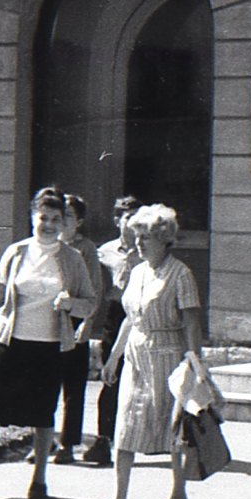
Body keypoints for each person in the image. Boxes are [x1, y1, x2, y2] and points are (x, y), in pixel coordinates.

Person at [0, 186, 96, 499]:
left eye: (56, 219)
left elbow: (89, 304)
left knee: (43, 416)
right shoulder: (16, 253)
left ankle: (39, 481)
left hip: (48, 348)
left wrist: (70, 303)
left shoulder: (72, 259)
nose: (48, 225)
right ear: (33, 218)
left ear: (63, 223)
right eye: (43, 218)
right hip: (9, 344)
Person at [93, 203, 210, 499]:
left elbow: (191, 323)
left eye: (145, 238)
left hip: (168, 356)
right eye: (136, 237)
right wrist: (114, 357)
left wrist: (195, 363)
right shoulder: (138, 272)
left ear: (164, 238)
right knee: (125, 426)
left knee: (171, 430)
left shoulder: (181, 274)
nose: (139, 243)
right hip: (136, 356)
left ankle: (177, 495)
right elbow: (130, 319)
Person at [44, 192, 104, 465]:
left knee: (72, 388)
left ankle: (67, 445)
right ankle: (42, 442)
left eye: (67, 216)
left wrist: (87, 326)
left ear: (78, 221)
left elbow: (94, 290)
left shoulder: (86, 249)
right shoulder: (47, 245)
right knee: (45, 386)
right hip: (47, 325)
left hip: (76, 323)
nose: (62, 222)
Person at [83, 194, 141, 467]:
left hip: (142, 317)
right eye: (128, 218)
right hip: (116, 315)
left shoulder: (148, 250)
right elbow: (96, 288)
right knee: (111, 376)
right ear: (117, 220)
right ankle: (104, 440)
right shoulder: (103, 252)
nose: (133, 224)